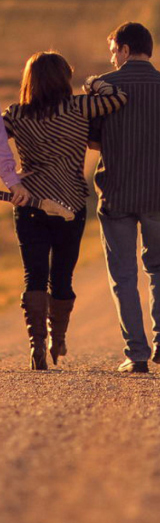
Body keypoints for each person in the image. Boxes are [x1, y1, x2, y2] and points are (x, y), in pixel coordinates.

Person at [2, 51, 127, 370]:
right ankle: (58, 338)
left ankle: (36, 345)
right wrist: (93, 82)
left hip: (30, 202)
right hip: (71, 201)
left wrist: (11, 179)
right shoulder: (80, 106)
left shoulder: (16, 115)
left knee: (34, 274)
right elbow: (118, 97)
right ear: (63, 79)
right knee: (62, 276)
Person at [88, 21, 160, 374]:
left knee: (123, 274)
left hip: (117, 192)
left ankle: (136, 353)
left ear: (123, 49)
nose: (112, 59)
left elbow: (91, 140)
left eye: (113, 52)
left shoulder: (105, 89)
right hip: (158, 192)